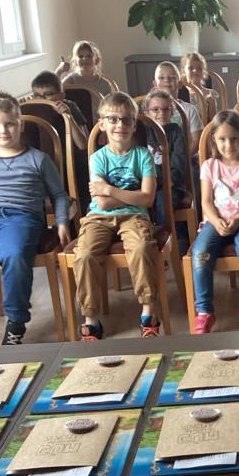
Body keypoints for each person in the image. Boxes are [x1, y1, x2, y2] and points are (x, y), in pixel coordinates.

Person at [0, 93, 70, 346]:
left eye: (9, 123)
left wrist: (62, 222)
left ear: (20, 124)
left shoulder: (38, 159)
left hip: (21, 216)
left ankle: (16, 323)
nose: (3, 130)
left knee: (14, 254)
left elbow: (60, 195)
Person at [72, 92, 161, 340]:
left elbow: (147, 199)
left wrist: (110, 190)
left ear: (134, 125)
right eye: (112, 119)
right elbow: (101, 202)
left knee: (142, 247)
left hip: (135, 216)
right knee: (85, 254)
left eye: (126, 119)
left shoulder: (143, 156)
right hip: (98, 217)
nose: (119, 125)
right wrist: (131, 195)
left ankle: (148, 312)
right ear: (102, 124)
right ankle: (90, 318)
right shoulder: (97, 158)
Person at [191, 112, 239, 334]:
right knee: (200, 253)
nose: (229, 145)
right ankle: (204, 311)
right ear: (214, 139)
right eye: (222, 139)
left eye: (234, 139)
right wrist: (217, 221)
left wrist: (238, 219)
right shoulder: (209, 166)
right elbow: (205, 201)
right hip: (215, 221)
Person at [23, 70, 91, 210]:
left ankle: (79, 211)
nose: (43, 99)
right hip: (43, 163)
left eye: (48, 94)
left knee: (80, 170)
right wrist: (20, 111)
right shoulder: (32, 110)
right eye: (37, 95)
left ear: (61, 95)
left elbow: (82, 144)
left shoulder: (70, 106)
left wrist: (68, 116)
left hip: (71, 161)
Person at [142, 88, 191, 254]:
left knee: (164, 203)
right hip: (147, 183)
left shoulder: (175, 131)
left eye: (165, 109)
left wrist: (166, 178)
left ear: (172, 111)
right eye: (155, 109)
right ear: (146, 113)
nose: (161, 113)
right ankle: (148, 241)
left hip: (171, 184)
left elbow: (179, 162)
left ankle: (171, 241)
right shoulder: (143, 132)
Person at [151, 61, 202, 156]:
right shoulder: (150, 110)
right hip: (154, 160)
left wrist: (182, 159)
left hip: (185, 158)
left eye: (172, 77)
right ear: (155, 84)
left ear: (180, 84)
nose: (167, 80)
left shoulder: (189, 110)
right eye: (161, 78)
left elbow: (196, 141)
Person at [180, 51, 219, 122]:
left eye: (199, 68)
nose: (195, 70)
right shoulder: (180, 92)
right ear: (183, 71)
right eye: (190, 68)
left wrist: (211, 103)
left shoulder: (209, 93)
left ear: (204, 71)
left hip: (204, 127)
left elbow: (214, 121)